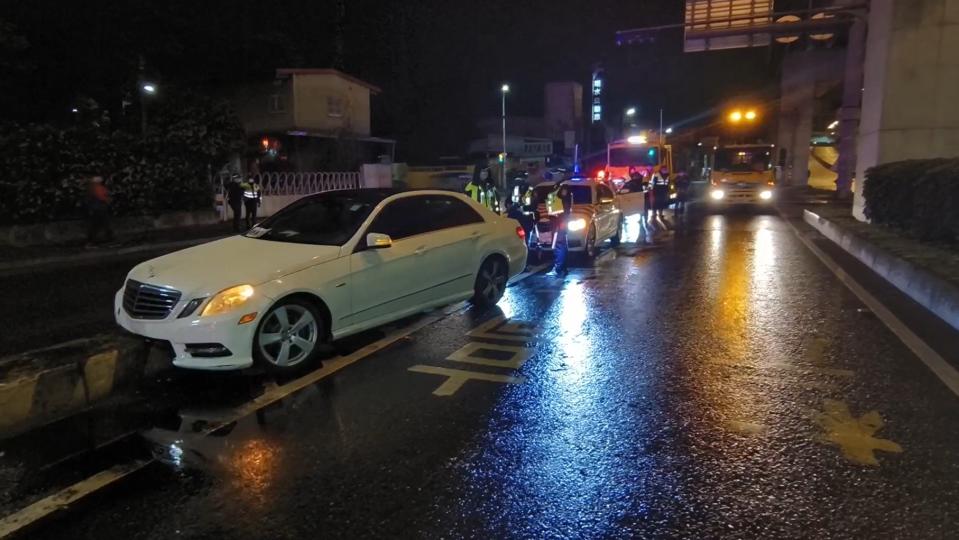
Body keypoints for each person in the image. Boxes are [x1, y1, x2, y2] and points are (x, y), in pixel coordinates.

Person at [546, 181, 573, 277]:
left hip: (559, 224)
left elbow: (562, 212)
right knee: (562, 246)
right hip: (559, 223)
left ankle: (558, 268)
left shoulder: (563, 198)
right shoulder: (564, 197)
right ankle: (563, 267)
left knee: (559, 246)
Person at [85, 175, 114, 246]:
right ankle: (109, 238)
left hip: (96, 208)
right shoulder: (97, 188)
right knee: (104, 224)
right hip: (100, 208)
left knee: (97, 225)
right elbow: (101, 197)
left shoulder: (91, 188)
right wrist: (108, 200)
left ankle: (91, 240)